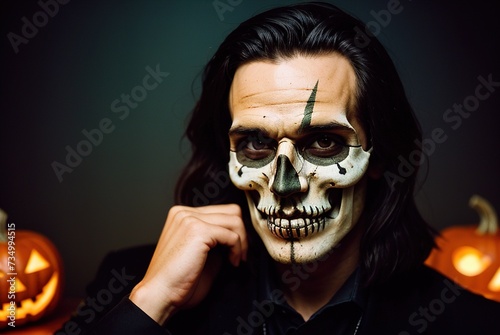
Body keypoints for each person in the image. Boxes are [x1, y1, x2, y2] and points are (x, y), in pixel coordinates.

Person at [57, 2, 500, 334]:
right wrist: (152, 301)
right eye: (254, 143)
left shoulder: (466, 322)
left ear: (379, 156)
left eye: (324, 142)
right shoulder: (135, 286)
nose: (286, 185)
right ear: (228, 154)